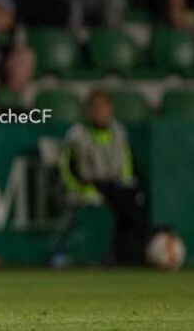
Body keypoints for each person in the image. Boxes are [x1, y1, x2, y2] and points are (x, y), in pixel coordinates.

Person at [59, 90, 149, 266]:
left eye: (103, 108)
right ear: (88, 111)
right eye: (95, 108)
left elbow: (125, 164)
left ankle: (126, 253)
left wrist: (126, 183)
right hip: (88, 184)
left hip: (114, 185)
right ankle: (119, 255)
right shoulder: (77, 134)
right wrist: (82, 189)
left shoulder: (119, 131)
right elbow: (67, 169)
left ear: (110, 109)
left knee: (133, 200)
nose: (99, 112)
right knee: (125, 203)